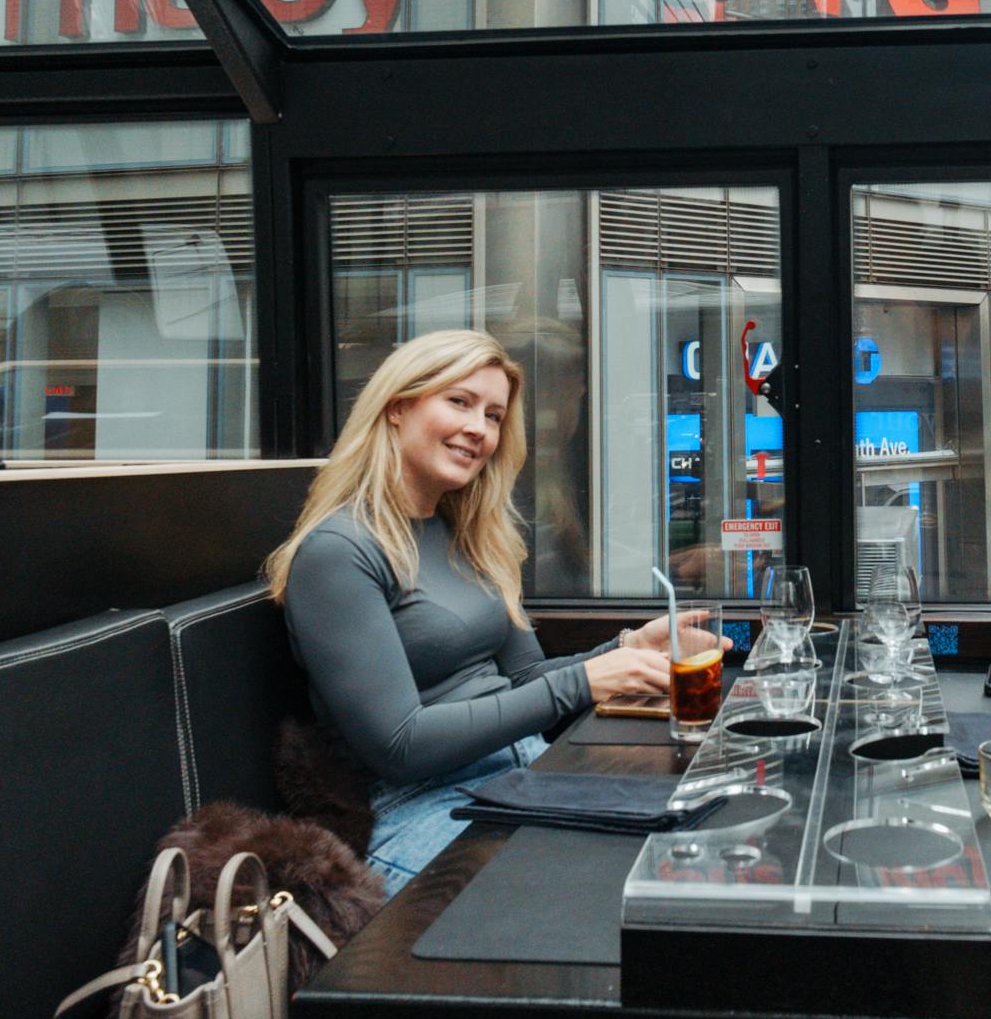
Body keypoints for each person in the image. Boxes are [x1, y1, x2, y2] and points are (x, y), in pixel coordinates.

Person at [265, 328, 692, 889]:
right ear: (397, 407)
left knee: (683, 849)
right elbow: (401, 746)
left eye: (493, 415)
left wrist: (626, 650)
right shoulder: (339, 551)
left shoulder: (470, 534)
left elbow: (528, 678)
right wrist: (589, 680)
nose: (479, 429)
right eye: (459, 402)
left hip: (524, 771)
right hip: (423, 810)